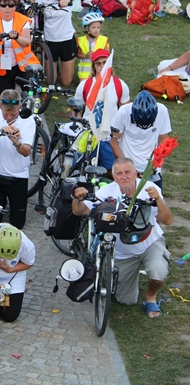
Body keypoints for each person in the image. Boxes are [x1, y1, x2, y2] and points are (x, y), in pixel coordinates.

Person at [72, 157, 173, 317]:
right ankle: (130, 277)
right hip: (122, 253)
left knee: (158, 273)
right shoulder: (106, 192)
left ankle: (150, 297)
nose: (124, 177)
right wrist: (77, 198)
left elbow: (167, 220)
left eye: (128, 172)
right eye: (119, 173)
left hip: (149, 243)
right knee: (126, 300)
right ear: (113, 176)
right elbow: (79, 211)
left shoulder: (149, 188)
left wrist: (158, 199)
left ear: (136, 173)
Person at [0, 89, 36, 229]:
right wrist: (0, 132)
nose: (9, 117)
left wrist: (16, 141)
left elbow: (26, 152)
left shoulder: (28, 120)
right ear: (0, 105)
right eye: (6, 114)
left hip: (18, 178)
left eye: (13, 114)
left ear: (20, 107)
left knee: (18, 224)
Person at [110, 91, 171, 188]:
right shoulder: (124, 112)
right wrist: (127, 167)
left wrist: (154, 165)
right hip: (129, 171)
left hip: (152, 170)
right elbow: (114, 142)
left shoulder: (162, 111)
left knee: (156, 196)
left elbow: (163, 139)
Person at [24, 0, 77, 86]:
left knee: (66, 82)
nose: (57, 0)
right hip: (50, 39)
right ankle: (55, 66)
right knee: (50, 81)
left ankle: (64, 67)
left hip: (67, 38)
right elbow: (34, 6)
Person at [76, 12, 110, 80]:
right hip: (85, 71)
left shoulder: (103, 40)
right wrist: (85, 56)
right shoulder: (81, 40)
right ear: (87, 28)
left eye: (98, 27)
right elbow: (77, 54)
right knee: (85, 85)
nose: (96, 30)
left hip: (99, 69)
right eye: (93, 27)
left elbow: (107, 56)